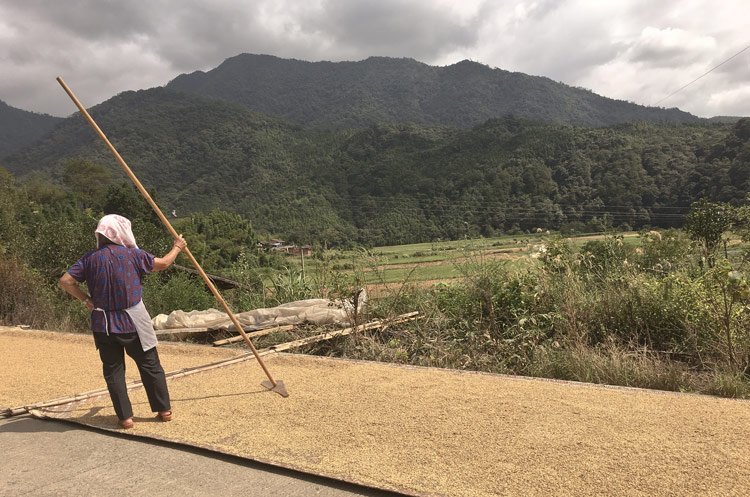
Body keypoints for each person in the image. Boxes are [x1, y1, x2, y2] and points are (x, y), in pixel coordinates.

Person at [59, 214, 187, 429]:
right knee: (150, 364)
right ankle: (164, 411)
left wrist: (86, 300)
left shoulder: (89, 259)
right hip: (133, 322)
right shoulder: (133, 255)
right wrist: (177, 246)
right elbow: (163, 264)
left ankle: (125, 418)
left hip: (104, 324)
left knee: (114, 370)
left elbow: (66, 281)